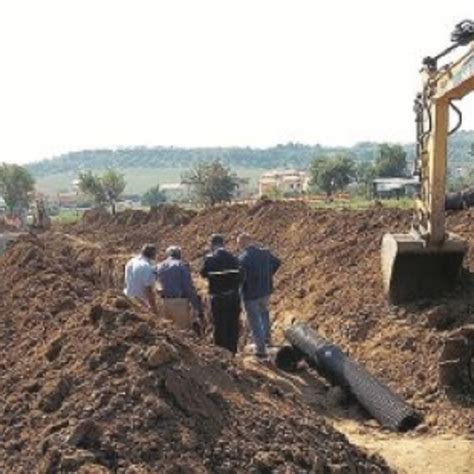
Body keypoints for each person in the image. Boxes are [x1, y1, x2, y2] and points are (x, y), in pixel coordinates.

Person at [237, 233, 281, 358]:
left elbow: (240, 279)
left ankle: (261, 350)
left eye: (239, 244)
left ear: (242, 243)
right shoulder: (265, 253)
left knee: (255, 321)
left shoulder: (242, 258)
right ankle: (267, 340)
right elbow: (277, 262)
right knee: (264, 314)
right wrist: (268, 275)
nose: (239, 246)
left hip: (250, 294)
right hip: (265, 291)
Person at [200, 234, 242, 354]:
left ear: (212, 245)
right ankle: (232, 352)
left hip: (218, 298)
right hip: (234, 297)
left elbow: (203, 274)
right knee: (233, 325)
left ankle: (221, 354)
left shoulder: (210, 259)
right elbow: (241, 277)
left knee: (219, 325)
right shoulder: (234, 258)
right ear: (223, 244)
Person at [156, 245, 204, 330]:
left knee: (169, 330)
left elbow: (155, 284)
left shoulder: (159, 266)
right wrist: (197, 305)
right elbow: (188, 287)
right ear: (178, 254)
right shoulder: (181, 266)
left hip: (164, 302)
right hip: (179, 302)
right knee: (182, 331)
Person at [124, 243, 159, 314]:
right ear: (153, 255)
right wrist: (154, 308)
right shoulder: (146, 267)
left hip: (128, 300)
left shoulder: (131, 261)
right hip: (142, 304)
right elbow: (148, 289)